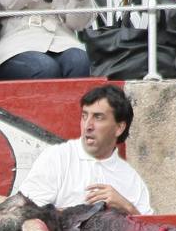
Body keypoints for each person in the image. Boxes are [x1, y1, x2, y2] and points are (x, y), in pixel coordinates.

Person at [17, 85, 153, 215]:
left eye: (98, 117)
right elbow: (26, 213)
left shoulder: (131, 179)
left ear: (119, 128)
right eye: (84, 116)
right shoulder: (57, 157)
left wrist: (126, 207)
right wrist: (83, 214)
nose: (88, 125)